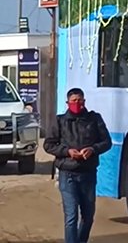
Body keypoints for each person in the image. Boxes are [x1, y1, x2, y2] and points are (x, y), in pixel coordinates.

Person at [44, 88, 112, 243]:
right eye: (74, 101)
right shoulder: (60, 121)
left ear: (84, 101)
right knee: (71, 216)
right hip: (68, 174)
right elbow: (48, 145)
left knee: (88, 216)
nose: (77, 103)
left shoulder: (94, 119)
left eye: (80, 100)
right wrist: (68, 152)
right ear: (68, 103)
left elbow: (106, 142)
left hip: (88, 174)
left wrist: (93, 149)